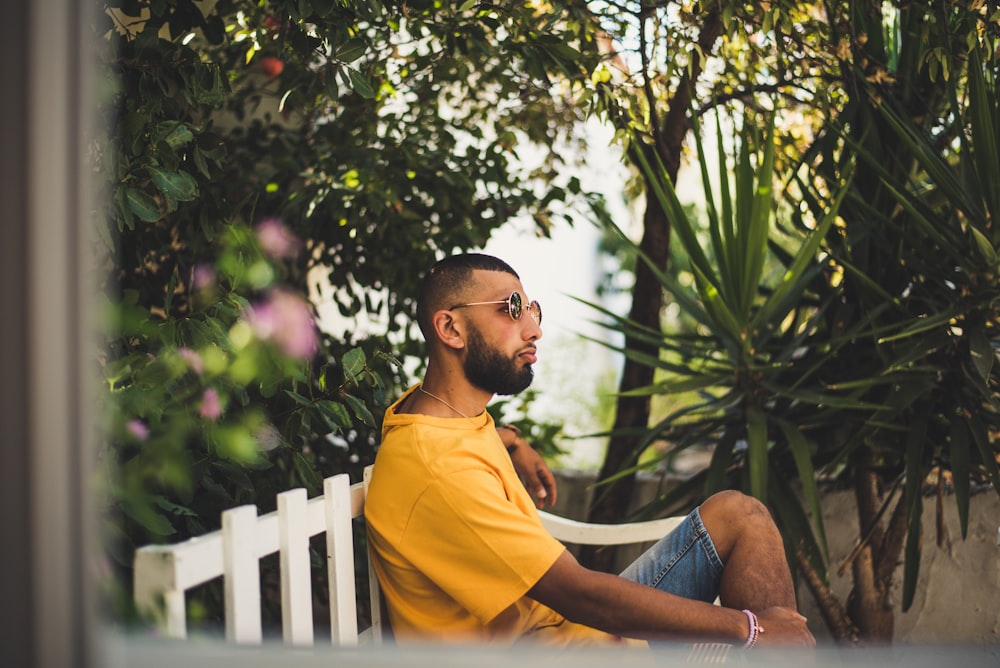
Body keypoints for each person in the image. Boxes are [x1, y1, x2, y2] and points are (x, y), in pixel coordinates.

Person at [364, 253, 815, 649]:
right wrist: (751, 629)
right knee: (764, 629)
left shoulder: (434, 417)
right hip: (558, 640)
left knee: (741, 515)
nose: (535, 329)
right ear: (450, 327)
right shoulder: (437, 469)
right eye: (513, 309)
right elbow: (580, 595)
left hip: (569, 633)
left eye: (533, 309)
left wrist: (513, 441)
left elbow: (455, 446)